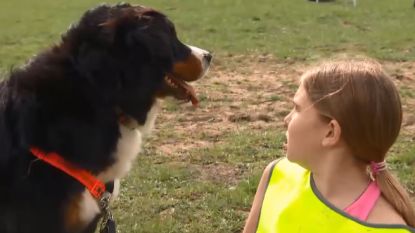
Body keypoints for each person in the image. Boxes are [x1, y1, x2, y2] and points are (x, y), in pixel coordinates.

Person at [243, 60, 415, 233]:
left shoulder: (386, 229)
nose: (286, 119)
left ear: (331, 132)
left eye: (297, 108)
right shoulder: (278, 174)